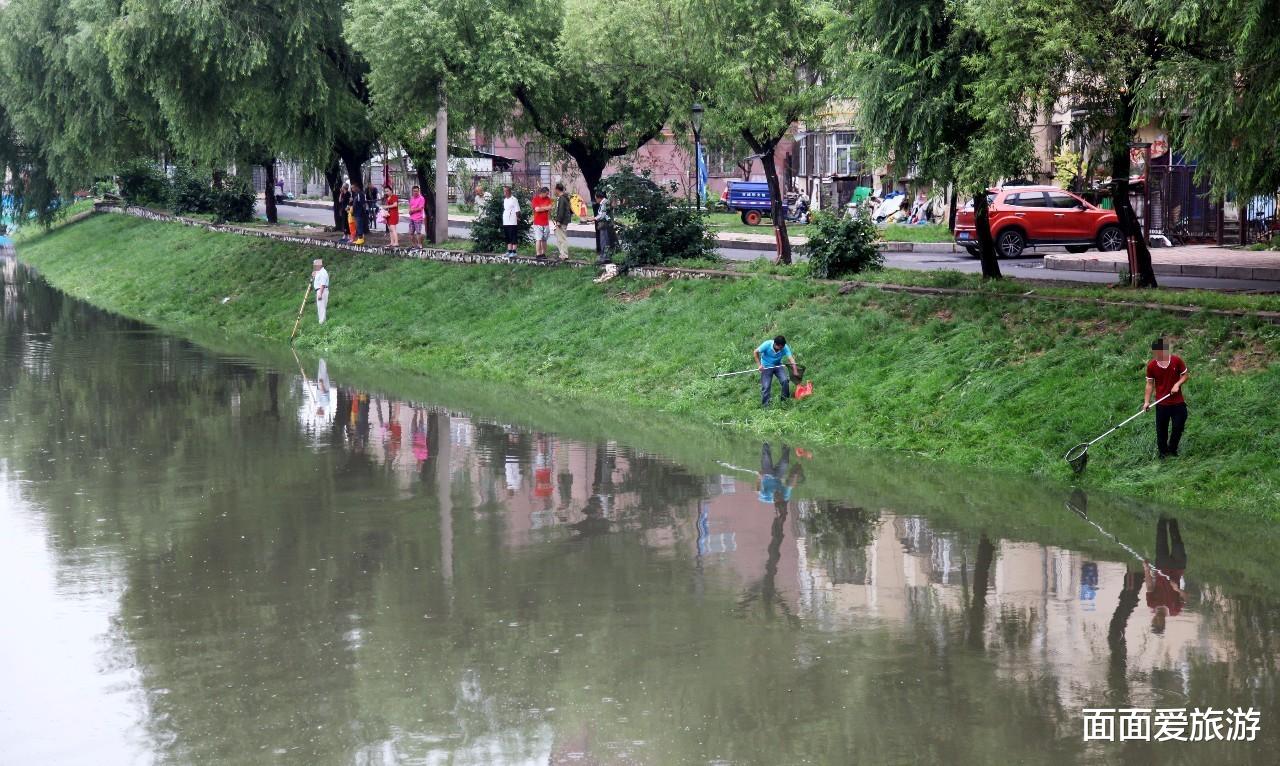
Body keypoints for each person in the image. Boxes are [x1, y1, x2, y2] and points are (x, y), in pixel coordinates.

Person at [1144, 337, 1189, 458]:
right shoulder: (1152, 366)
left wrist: (1177, 384)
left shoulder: (1176, 361)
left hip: (1177, 402)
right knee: (1161, 430)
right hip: (1161, 403)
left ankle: (1173, 449)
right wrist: (1146, 402)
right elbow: (1149, 384)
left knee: (1178, 427)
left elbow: (1185, 375)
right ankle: (1163, 453)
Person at [1145, 516, 1187, 634]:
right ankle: (1173, 518)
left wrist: (1146, 569)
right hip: (1178, 568)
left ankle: (1163, 517)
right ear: (1163, 624)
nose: (1156, 619)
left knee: (1161, 540)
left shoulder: (1151, 604)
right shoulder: (1175, 611)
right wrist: (1177, 589)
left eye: (1154, 621)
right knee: (1177, 544)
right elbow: (1185, 597)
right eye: (1158, 623)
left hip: (1162, 568)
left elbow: (1149, 587)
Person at [754, 334, 800, 407]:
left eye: (782, 347)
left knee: (785, 380)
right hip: (766, 366)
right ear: (775, 344)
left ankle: (785, 400)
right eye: (779, 348)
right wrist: (759, 365)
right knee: (766, 386)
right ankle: (766, 406)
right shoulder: (767, 344)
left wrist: (795, 371)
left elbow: (791, 359)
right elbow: (755, 352)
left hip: (778, 365)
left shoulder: (784, 347)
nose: (781, 349)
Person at [584, 189, 613, 265]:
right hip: (606, 223)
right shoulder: (605, 202)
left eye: (596, 198)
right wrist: (594, 219)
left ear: (599, 197)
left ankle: (605, 257)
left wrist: (593, 218)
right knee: (605, 241)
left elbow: (602, 215)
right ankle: (606, 256)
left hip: (604, 224)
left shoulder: (604, 203)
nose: (596, 200)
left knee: (604, 241)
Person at [551, 182, 573, 260]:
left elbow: (561, 211)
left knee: (561, 238)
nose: (554, 191)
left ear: (557, 190)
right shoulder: (566, 198)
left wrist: (558, 221)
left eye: (554, 189)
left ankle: (564, 255)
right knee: (562, 237)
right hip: (565, 220)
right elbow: (570, 210)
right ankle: (563, 254)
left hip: (562, 221)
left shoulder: (561, 198)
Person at [531, 185, 553, 260]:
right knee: (538, 239)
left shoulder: (548, 199)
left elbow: (550, 207)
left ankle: (543, 254)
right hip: (537, 222)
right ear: (542, 193)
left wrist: (542, 208)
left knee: (544, 239)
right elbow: (537, 210)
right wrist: (546, 208)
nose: (547, 195)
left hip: (546, 222)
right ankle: (538, 254)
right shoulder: (535, 199)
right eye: (546, 194)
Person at [501, 185, 520, 257]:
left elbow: (517, 210)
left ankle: (514, 252)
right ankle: (509, 251)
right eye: (504, 191)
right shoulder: (505, 200)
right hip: (505, 221)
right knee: (508, 236)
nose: (504, 193)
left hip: (512, 221)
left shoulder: (514, 199)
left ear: (509, 191)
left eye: (505, 191)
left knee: (513, 236)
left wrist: (517, 218)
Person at [312, 258, 329, 324]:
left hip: (322, 290)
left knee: (321, 306)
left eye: (315, 265)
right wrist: (313, 275)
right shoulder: (318, 272)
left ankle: (322, 322)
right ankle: (322, 321)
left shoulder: (323, 272)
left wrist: (320, 294)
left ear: (319, 265)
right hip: (319, 290)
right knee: (320, 306)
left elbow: (322, 284)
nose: (314, 266)